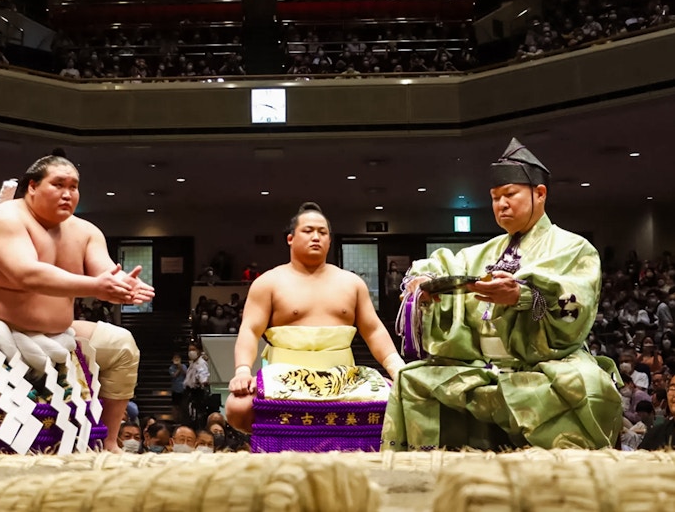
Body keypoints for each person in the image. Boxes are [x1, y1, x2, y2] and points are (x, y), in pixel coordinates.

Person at [382, 138, 621, 451]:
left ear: (540, 193)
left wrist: (524, 296)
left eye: (510, 194)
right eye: (495, 198)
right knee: (412, 379)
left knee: (587, 387)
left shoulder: (574, 248)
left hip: (546, 364)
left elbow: (575, 301)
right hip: (479, 364)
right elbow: (443, 265)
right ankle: (423, 475)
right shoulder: (484, 251)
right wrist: (422, 282)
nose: (501, 204)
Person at [0, 152, 154, 452]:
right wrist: (96, 287)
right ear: (32, 186)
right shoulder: (6, 218)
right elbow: (26, 273)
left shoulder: (87, 232)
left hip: (57, 338)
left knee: (122, 345)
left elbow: (104, 270)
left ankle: (110, 442)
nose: (68, 194)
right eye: (58, 184)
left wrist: (121, 283)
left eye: (74, 187)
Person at [225, 202, 406, 433]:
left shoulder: (351, 283)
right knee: (238, 407)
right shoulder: (268, 283)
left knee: (399, 398)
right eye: (308, 231)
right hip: (284, 378)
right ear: (290, 238)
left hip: (344, 379)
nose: (316, 237)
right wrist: (242, 370)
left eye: (322, 232)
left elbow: (373, 330)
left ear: (330, 240)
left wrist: (396, 368)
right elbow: (250, 330)